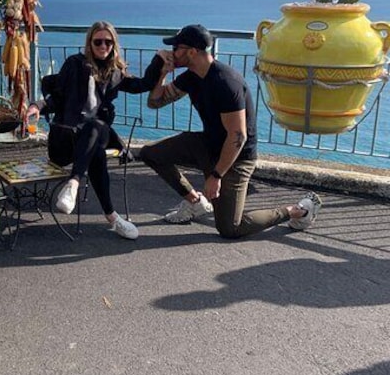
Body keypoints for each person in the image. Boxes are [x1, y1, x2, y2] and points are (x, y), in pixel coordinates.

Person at [138, 24, 322, 238]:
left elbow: (238, 136)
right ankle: (195, 202)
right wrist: (162, 73)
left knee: (230, 228)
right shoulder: (191, 76)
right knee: (150, 153)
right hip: (208, 144)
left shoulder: (225, 82)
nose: (171, 53)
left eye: (176, 48)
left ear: (192, 52)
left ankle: (300, 210)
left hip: (237, 158)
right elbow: (155, 102)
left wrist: (216, 176)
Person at [26, 21, 171, 240]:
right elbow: (58, 95)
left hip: (91, 137)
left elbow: (142, 85)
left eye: (108, 42)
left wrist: (159, 59)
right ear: (90, 43)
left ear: (114, 44)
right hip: (64, 142)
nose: (103, 46)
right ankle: (112, 217)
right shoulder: (74, 64)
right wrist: (38, 105)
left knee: (95, 129)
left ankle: (74, 185)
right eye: (98, 41)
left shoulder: (115, 73)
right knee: (95, 146)